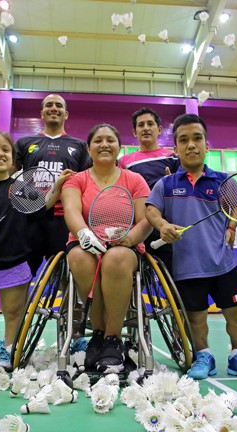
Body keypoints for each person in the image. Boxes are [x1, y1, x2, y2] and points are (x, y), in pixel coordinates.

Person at [146, 114, 237, 381]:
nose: (191, 145)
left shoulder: (223, 181)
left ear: (206, 144)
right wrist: (163, 225)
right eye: (184, 140)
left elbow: (236, 203)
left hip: (223, 262)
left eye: (197, 138)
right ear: (175, 148)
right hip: (187, 267)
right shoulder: (166, 184)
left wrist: (232, 226)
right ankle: (203, 355)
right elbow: (152, 210)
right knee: (196, 317)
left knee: (236, 312)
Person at [0, 131, 71, 374]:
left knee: (14, 311)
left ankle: (9, 349)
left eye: (5, 150)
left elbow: (43, 206)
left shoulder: (21, 189)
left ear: (12, 157)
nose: (0, 154)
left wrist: (58, 186)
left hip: (14, 261)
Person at [61, 123, 151, 372]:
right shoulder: (76, 180)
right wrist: (84, 234)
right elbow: (71, 210)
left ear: (119, 148)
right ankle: (97, 335)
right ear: (88, 148)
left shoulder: (135, 180)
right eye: (98, 140)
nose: (104, 145)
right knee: (79, 257)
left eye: (110, 140)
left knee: (116, 259)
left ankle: (113, 338)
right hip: (86, 242)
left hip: (125, 245)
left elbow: (145, 219)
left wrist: (131, 238)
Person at [14, 94, 91, 277]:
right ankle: (22, 307)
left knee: (65, 274)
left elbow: (88, 181)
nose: (54, 108)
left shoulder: (80, 146)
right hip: (31, 217)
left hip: (64, 219)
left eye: (59, 105)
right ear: (42, 113)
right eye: (49, 105)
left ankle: (66, 306)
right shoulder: (25, 143)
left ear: (66, 114)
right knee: (22, 274)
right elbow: (4, 173)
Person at [118, 107, 179, 271]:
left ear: (159, 130)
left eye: (150, 124)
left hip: (165, 226)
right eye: (141, 125)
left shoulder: (172, 158)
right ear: (134, 132)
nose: (145, 128)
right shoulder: (125, 162)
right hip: (136, 227)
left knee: (172, 280)